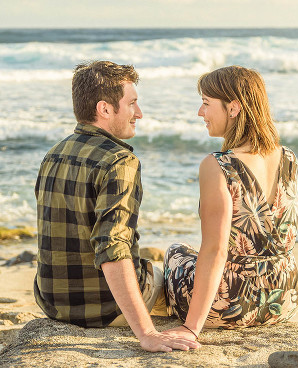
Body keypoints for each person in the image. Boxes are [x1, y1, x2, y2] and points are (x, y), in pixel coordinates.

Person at [33, 60, 199, 352]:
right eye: (132, 103)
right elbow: (112, 246)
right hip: (105, 308)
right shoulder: (120, 161)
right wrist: (147, 332)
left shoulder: (53, 154)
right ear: (105, 109)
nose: (139, 113)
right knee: (177, 273)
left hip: (52, 303)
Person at [163, 65, 298, 340]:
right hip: (284, 299)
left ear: (234, 108)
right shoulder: (289, 158)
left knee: (176, 252)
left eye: (205, 104)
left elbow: (216, 250)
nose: (200, 113)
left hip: (232, 305)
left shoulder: (219, 165)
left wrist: (191, 328)